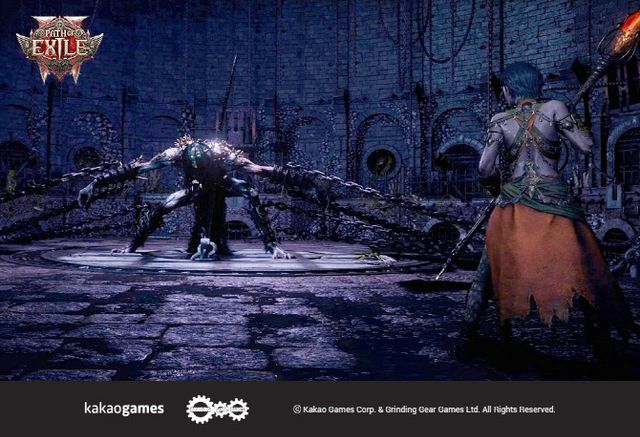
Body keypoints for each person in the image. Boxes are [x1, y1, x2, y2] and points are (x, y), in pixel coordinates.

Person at [455, 62, 634, 363]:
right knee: (585, 270)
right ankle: (603, 347)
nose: (504, 93)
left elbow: (484, 168)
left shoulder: (499, 120)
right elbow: (586, 146)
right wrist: (569, 120)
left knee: (486, 273)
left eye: (504, 89)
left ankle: (465, 337)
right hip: (555, 203)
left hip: (512, 204)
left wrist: (495, 187)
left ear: (511, 88)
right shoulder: (555, 108)